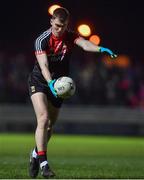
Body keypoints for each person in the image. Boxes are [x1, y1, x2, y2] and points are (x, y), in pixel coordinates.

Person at [28, 7, 117, 178]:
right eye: (57, 26)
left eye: (63, 26)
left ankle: (35, 153)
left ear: (67, 24)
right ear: (51, 22)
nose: (59, 30)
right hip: (40, 81)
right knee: (43, 118)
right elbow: (43, 65)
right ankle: (44, 164)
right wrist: (50, 82)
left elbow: (85, 44)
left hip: (60, 85)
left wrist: (100, 49)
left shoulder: (70, 36)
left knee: (50, 126)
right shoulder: (42, 40)